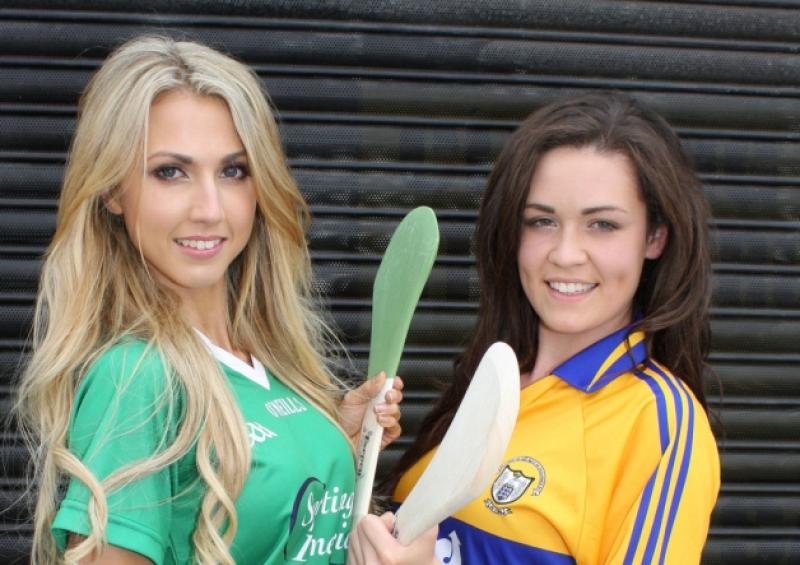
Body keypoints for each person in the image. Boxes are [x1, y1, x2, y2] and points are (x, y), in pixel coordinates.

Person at [15, 35, 406, 565]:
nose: (209, 208)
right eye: (170, 172)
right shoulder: (136, 379)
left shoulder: (268, 363)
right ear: (112, 190)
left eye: (233, 171)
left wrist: (332, 438)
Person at [351, 92, 721, 564]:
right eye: (542, 221)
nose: (565, 253)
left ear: (654, 238)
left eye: (603, 225)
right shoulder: (491, 380)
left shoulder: (659, 423)